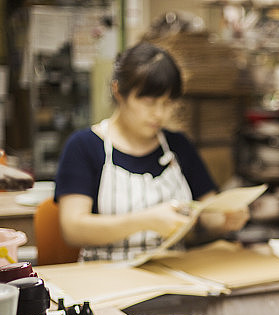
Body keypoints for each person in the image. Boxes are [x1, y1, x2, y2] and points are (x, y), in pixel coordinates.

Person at [54, 41, 249, 261]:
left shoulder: (178, 145)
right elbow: (72, 228)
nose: (159, 114)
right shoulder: (84, 146)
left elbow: (206, 216)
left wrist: (226, 219)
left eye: (167, 103)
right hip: (105, 275)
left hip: (174, 272)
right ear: (118, 91)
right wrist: (146, 221)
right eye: (149, 102)